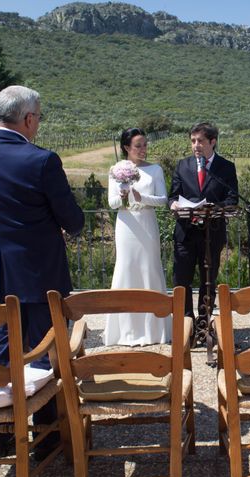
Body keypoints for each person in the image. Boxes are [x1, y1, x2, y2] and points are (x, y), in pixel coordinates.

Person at [0, 85, 84, 459]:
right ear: (29, 119)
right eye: (39, 118)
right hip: (40, 274)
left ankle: (2, 433)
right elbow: (73, 221)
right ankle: (44, 439)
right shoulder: (41, 161)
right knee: (43, 352)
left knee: (3, 346)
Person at [103, 128, 171, 345]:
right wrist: (123, 196)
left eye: (145, 145)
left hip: (147, 222)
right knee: (126, 268)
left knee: (149, 268)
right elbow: (112, 203)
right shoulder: (116, 169)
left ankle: (154, 329)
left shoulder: (155, 169)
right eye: (138, 146)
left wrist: (143, 197)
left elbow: (162, 200)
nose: (143, 149)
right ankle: (124, 331)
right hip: (126, 224)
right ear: (126, 148)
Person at [168, 122, 238, 324]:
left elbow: (232, 200)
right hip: (185, 232)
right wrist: (173, 205)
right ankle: (186, 323)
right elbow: (173, 196)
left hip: (212, 234)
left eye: (200, 141)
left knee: (208, 281)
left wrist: (211, 208)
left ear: (212, 142)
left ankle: (203, 322)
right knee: (181, 280)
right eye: (193, 141)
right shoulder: (183, 165)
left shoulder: (226, 168)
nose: (195, 145)